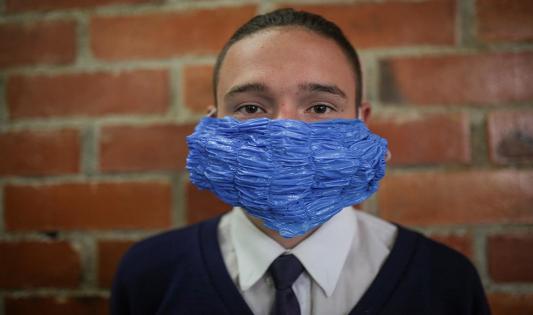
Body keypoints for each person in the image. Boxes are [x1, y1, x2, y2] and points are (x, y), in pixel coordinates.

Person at [111, 8, 490, 315]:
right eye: (250, 107)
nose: (284, 132)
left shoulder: (446, 283)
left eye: (320, 107)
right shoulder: (148, 275)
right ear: (212, 125)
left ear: (362, 121)